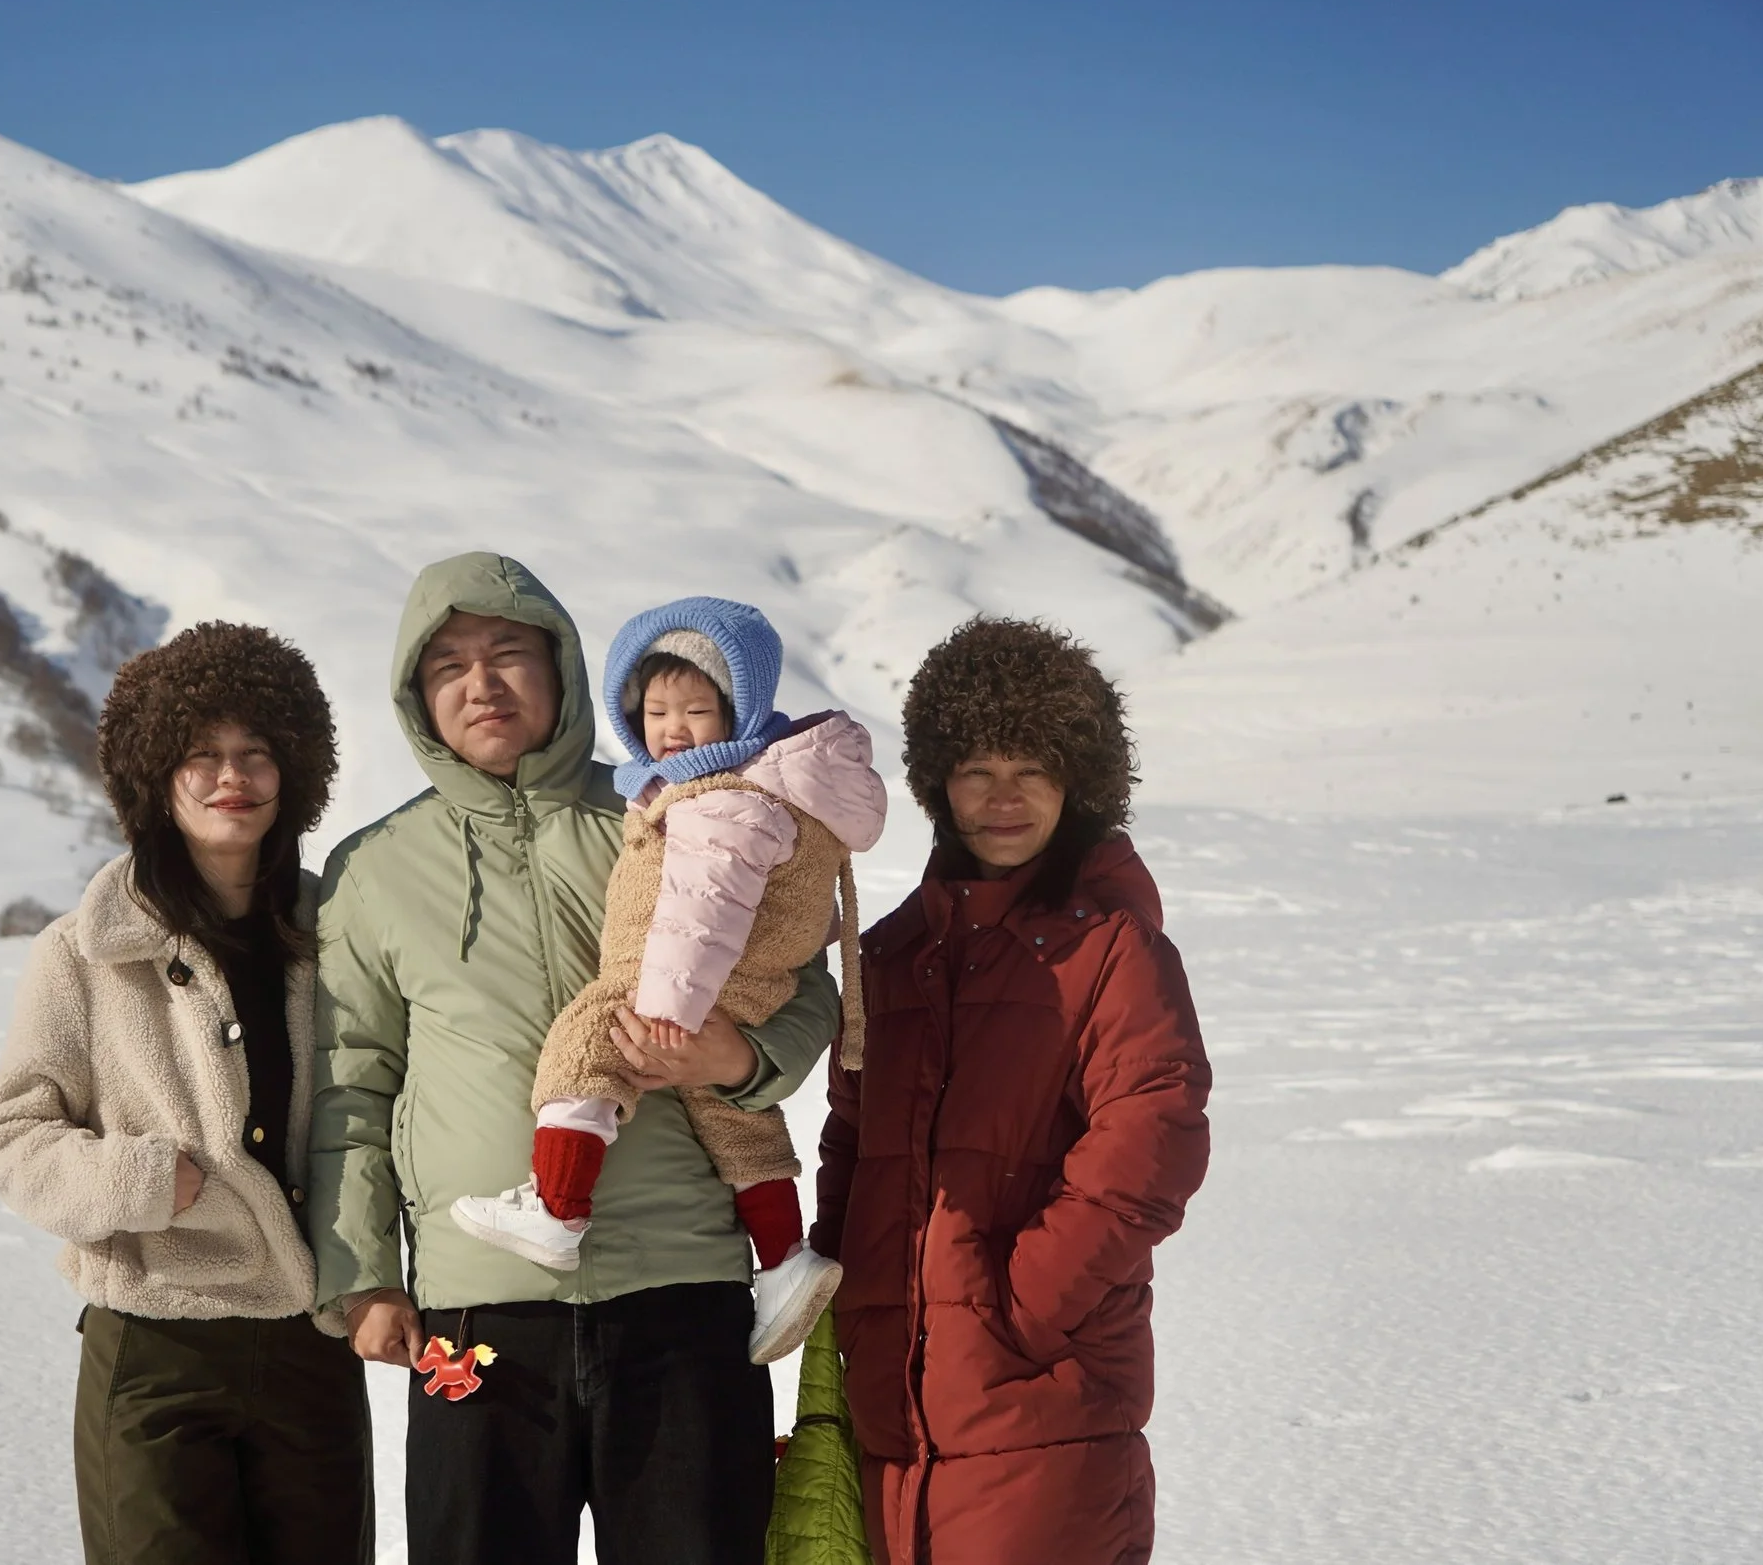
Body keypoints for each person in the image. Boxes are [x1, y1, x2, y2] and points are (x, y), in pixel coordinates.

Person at [307, 553, 843, 1565]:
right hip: (479, 1310)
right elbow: (351, 1084)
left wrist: (742, 1055)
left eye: (509, 651)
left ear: (561, 670)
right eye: (449, 665)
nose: (482, 682)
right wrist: (364, 1271)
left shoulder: (672, 811)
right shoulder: (372, 870)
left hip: (681, 1289)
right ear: (417, 698)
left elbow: (797, 973)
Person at [812, 616, 1211, 1565]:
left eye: (1031, 767)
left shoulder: (1113, 950)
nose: (1002, 798)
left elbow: (1152, 1145)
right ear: (938, 781)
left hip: (1044, 1399)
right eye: (975, 768)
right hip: (891, 1410)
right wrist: (838, 1291)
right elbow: (849, 1141)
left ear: (1077, 779)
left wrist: (1020, 1305)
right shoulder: (890, 954)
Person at [0, 622, 371, 1565]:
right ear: (156, 773)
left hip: (307, 1343)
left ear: (295, 770)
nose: (231, 774)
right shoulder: (84, 950)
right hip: (156, 1347)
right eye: (201, 753)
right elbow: (12, 1136)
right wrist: (147, 1179)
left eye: (256, 752)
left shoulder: (339, 935)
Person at [448, 596, 886, 1366]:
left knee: (586, 1044)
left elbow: (698, 914)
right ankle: (785, 1259)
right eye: (656, 711)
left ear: (741, 710)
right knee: (737, 1126)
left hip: (677, 987)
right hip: (741, 986)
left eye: (696, 709)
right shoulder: (757, 787)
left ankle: (557, 1205)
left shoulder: (718, 799)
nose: (674, 728)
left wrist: (667, 1016)